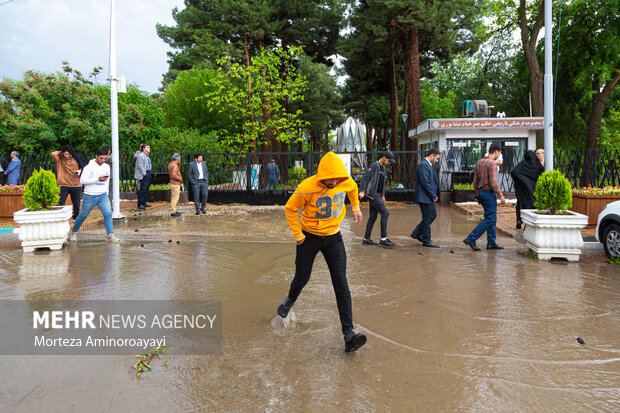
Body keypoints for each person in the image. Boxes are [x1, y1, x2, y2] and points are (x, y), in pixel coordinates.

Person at [277, 151, 367, 353]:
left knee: (341, 282)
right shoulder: (306, 187)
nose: (334, 181)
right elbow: (290, 209)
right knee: (302, 278)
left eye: (337, 177)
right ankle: (289, 301)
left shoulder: (344, 180)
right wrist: (298, 236)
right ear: (322, 176)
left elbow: (352, 188)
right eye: (330, 178)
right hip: (309, 238)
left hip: (334, 238)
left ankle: (349, 334)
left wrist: (356, 208)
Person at [69, 148, 120, 243]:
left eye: (105, 158)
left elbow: (107, 181)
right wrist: (97, 179)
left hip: (103, 195)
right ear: (96, 156)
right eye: (101, 158)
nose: (103, 160)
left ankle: (110, 235)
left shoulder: (106, 167)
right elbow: (82, 181)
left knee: (108, 214)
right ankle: (74, 232)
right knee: (83, 215)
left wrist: (107, 194)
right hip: (90, 195)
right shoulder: (88, 167)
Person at [463, 143, 506, 251]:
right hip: (489, 193)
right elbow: (494, 183)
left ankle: (491, 243)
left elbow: (475, 182)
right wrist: (501, 196)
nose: (499, 156)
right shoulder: (492, 164)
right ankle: (471, 238)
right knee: (490, 218)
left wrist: (477, 194)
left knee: (492, 218)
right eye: (499, 153)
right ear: (495, 152)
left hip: (482, 192)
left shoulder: (479, 162)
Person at [359, 150, 396, 247]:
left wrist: (383, 195)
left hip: (378, 195)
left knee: (373, 216)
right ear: (384, 158)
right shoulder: (374, 166)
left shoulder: (383, 168)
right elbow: (364, 178)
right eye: (388, 161)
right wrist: (362, 190)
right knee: (385, 213)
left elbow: (382, 183)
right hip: (372, 194)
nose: (389, 163)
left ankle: (366, 239)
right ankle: (383, 239)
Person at [411, 148, 441, 248]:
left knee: (431, 216)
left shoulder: (427, 164)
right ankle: (426, 240)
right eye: (436, 158)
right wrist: (433, 195)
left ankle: (417, 233)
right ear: (432, 155)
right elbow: (425, 182)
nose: (437, 161)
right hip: (425, 196)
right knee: (429, 217)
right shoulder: (423, 165)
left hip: (426, 196)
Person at [510, 150, 544, 229]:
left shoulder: (522, 165)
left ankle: (519, 220)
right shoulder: (538, 166)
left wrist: (522, 180)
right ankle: (528, 224)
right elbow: (541, 176)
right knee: (532, 206)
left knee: (520, 203)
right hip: (533, 191)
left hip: (522, 190)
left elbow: (514, 172)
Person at [51, 145, 85, 220]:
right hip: (63, 183)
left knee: (76, 203)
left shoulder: (76, 158)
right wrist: (62, 151)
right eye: (66, 154)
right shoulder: (59, 159)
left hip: (75, 184)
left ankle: (76, 217)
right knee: (60, 202)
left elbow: (83, 167)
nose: (67, 156)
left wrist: (80, 170)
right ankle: (58, 217)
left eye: (69, 154)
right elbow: (53, 154)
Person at [134, 143, 152, 210]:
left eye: (149, 147)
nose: (149, 148)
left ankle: (144, 202)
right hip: (144, 174)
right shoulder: (141, 155)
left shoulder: (147, 155)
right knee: (143, 189)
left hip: (147, 172)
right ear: (144, 149)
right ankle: (140, 204)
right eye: (147, 147)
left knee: (146, 189)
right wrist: (144, 173)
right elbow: (140, 165)